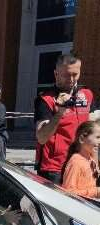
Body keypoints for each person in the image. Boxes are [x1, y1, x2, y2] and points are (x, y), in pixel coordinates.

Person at [35, 53, 97, 184]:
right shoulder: (46, 99)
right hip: (54, 168)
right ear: (56, 74)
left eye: (75, 74)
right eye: (66, 75)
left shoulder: (86, 94)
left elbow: (93, 130)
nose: (71, 79)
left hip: (80, 163)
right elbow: (41, 137)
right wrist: (59, 113)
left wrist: (95, 159)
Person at [62, 120, 100, 197]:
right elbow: (68, 193)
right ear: (82, 139)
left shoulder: (90, 159)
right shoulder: (75, 162)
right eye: (97, 137)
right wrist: (96, 192)